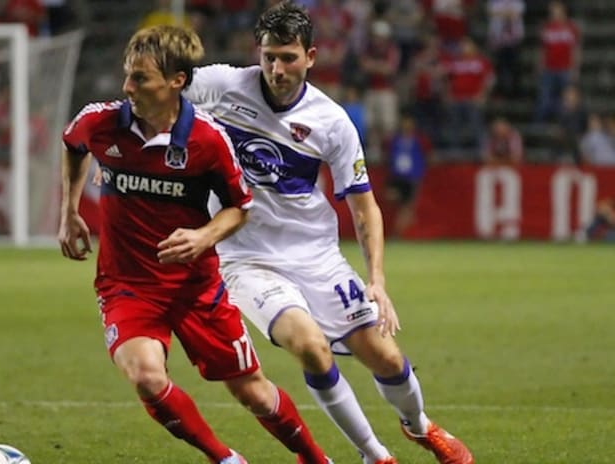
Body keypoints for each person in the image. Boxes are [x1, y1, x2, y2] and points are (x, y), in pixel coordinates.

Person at [183, 3, 474, 464]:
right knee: (312, 349)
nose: (276, 68)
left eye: (288, 58)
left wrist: (376, 280)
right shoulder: (222, 85)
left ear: (312, 56)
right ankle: (374, 455)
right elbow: (162, 94)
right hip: (245, 258)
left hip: (315, 255)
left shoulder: (332, 121)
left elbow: (364, 206)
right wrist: (119, 150)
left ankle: (420, 426)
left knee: (387, 359)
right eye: (269, 57)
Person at [58, 24, 333, 464]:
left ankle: (318, 460)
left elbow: (239, 207)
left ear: (176, 82)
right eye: (128, 75)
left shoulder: (206, 139)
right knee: (146, 376)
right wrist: (69, 211)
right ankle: (225, 458)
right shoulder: (100, 122)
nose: (128, 86)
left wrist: (203, 236)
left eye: (141, 78)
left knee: (253, 393)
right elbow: (73, 145)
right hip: (126, 284)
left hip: (196, 287)